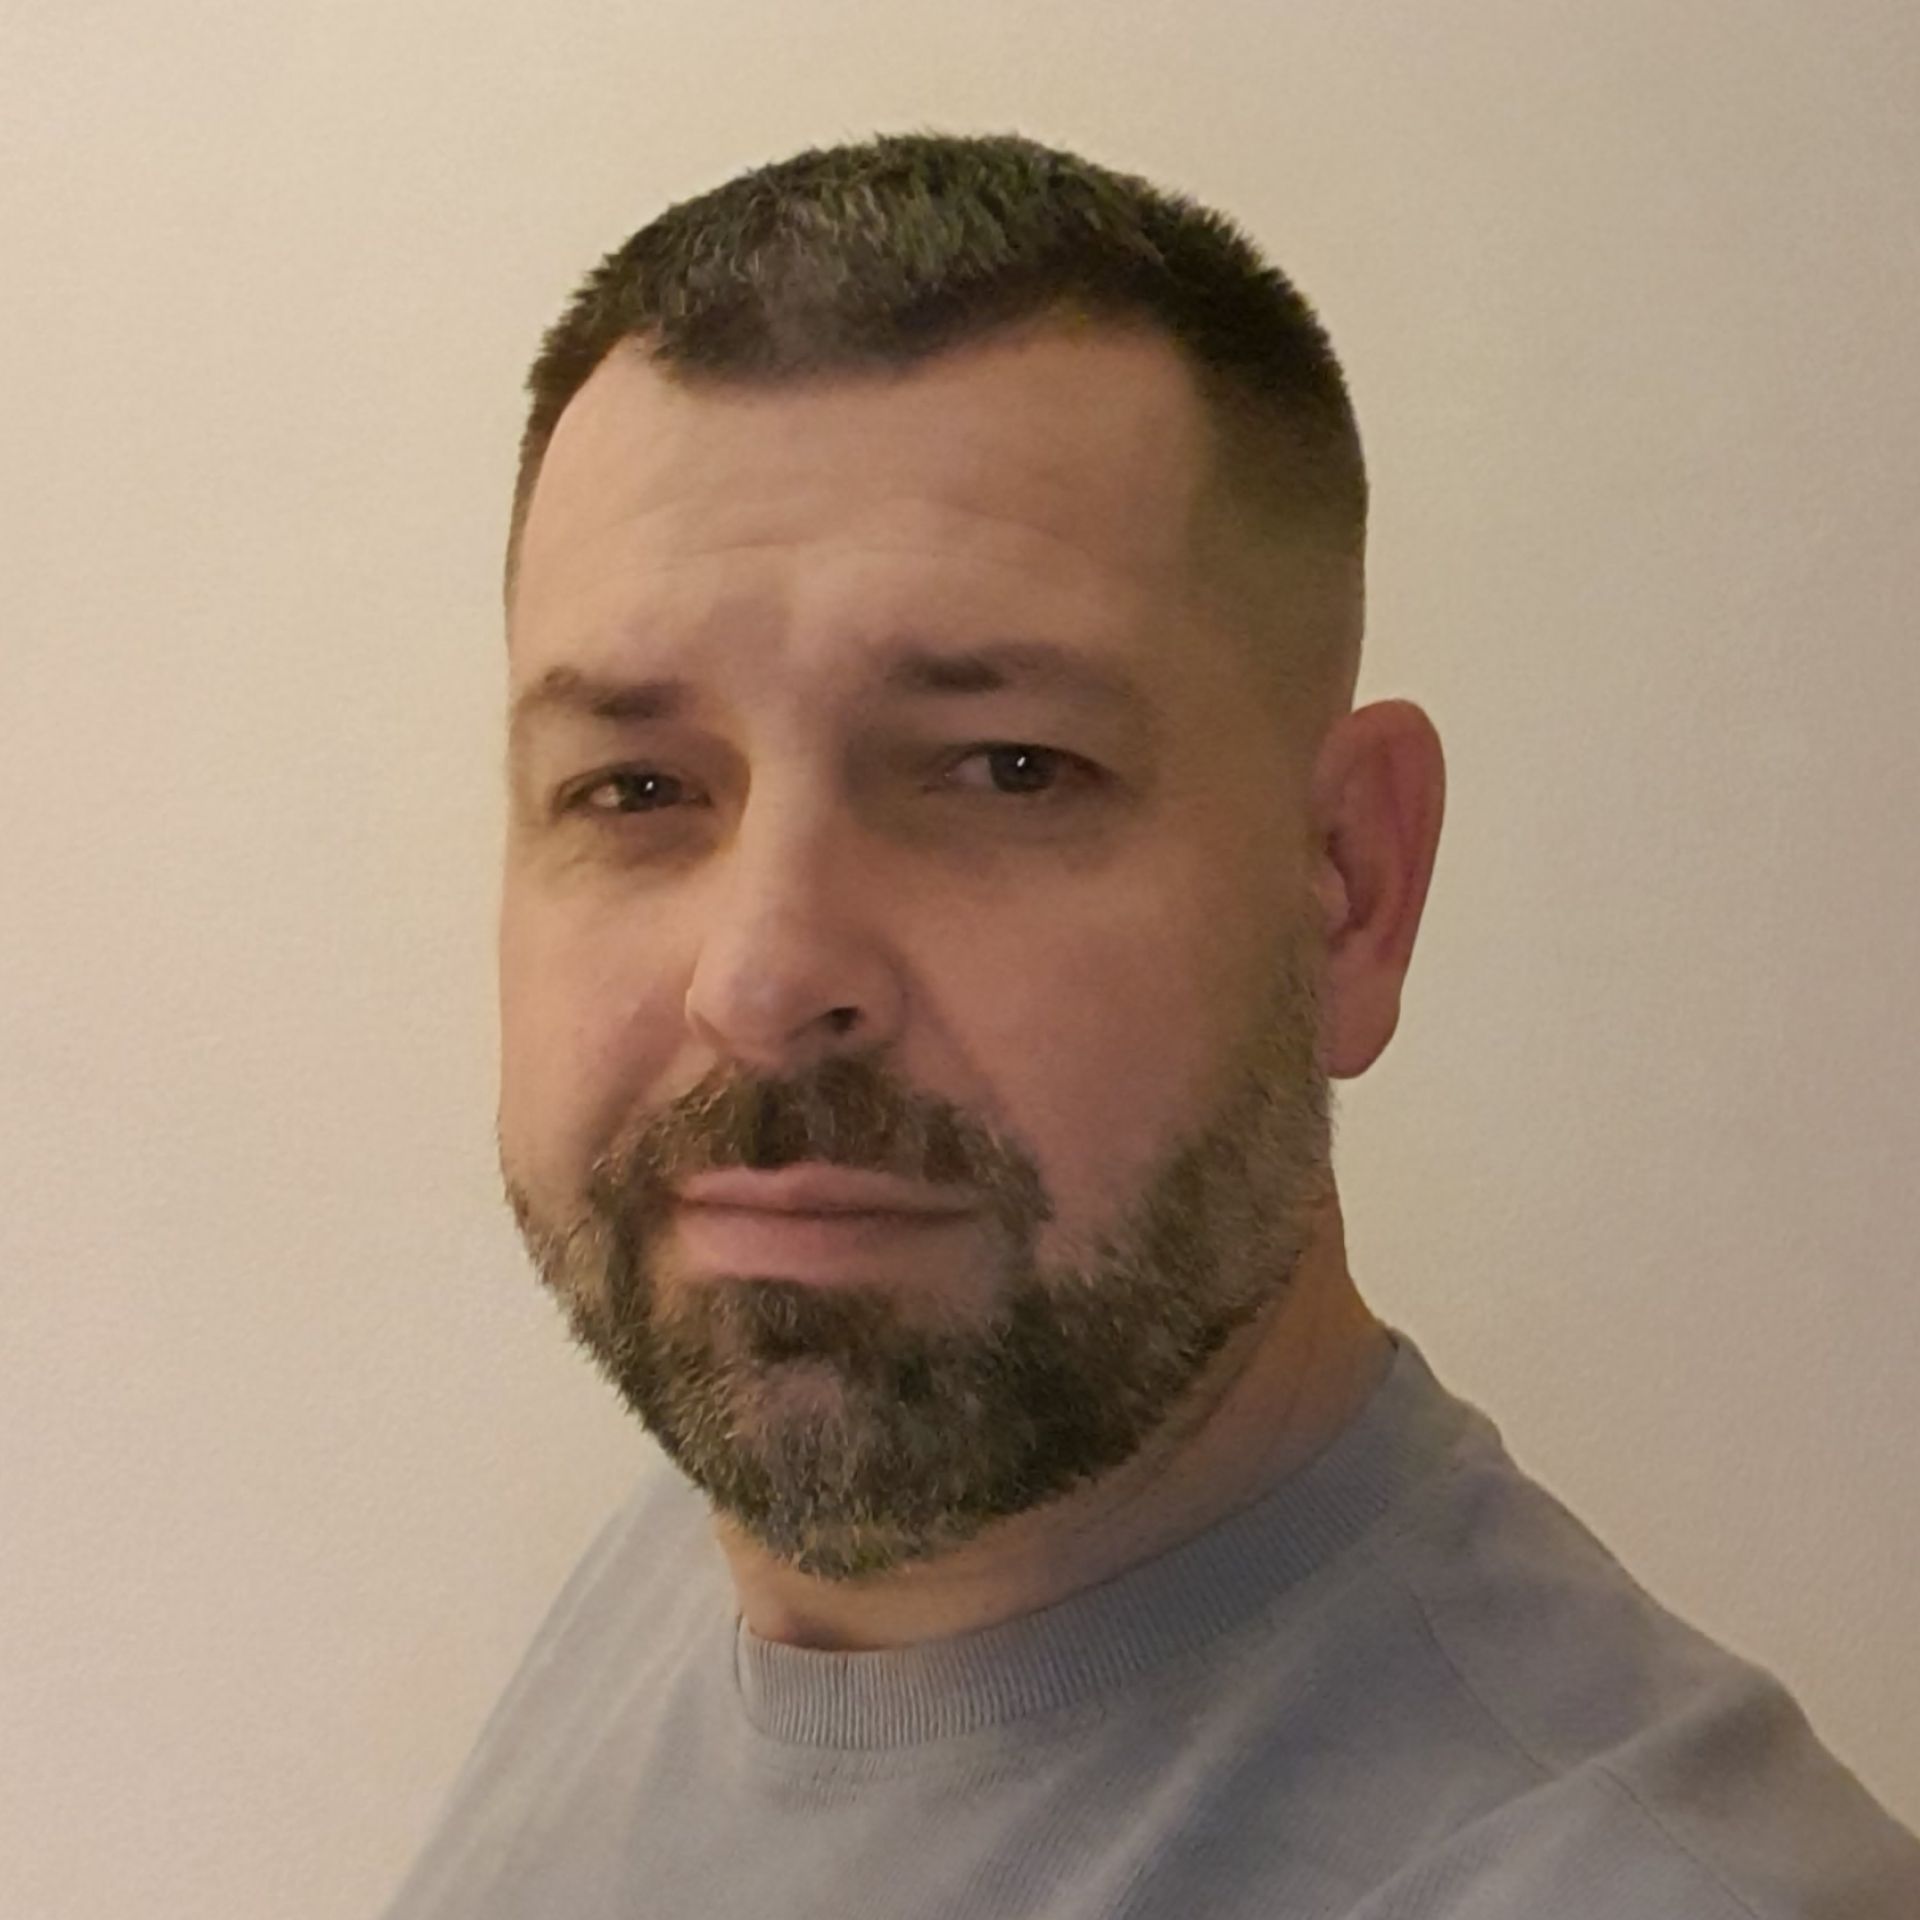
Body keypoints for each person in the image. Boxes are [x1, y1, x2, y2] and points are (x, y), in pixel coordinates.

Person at [381, 131, 1920, 1918]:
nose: (764, 976)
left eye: (1006, 768)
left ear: (1348, 885)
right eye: (636, 787)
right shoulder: (715, 1544)